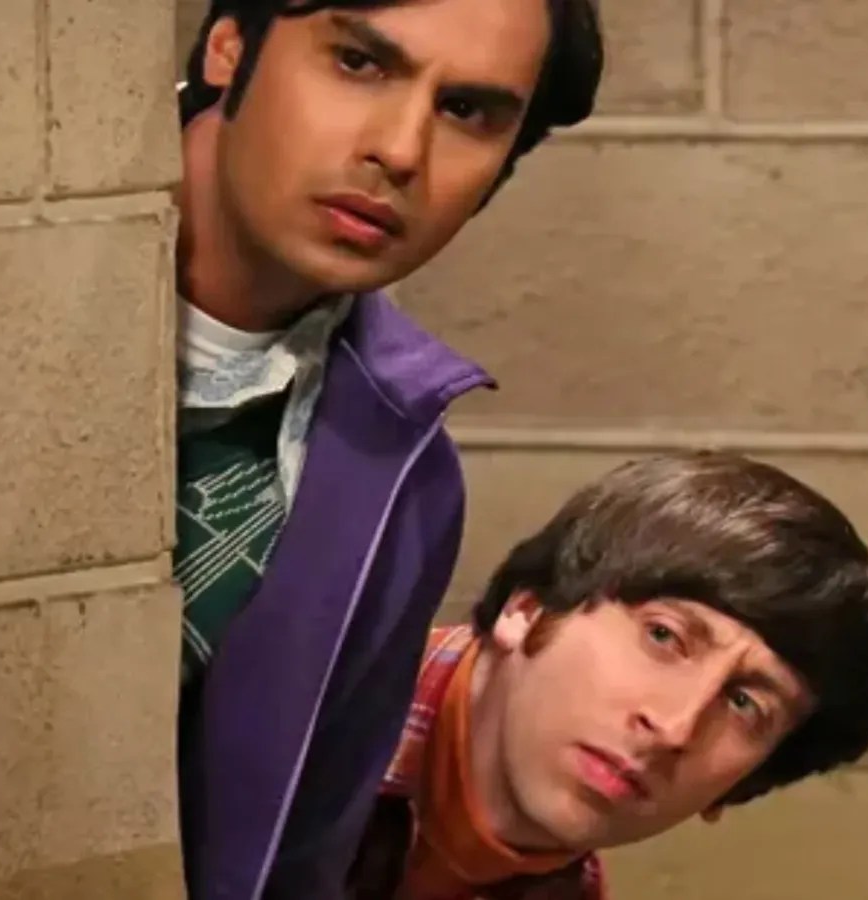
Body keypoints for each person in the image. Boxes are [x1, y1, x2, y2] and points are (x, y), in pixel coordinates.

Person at [169, 0, 603, 897]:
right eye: (359, 64)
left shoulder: (403, 482)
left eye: (467, 111)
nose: (401, 151)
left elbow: (292, 862)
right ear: (229, 44)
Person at [345, 450, 868, 899]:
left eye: (744, 705)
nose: (675, 727)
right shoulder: (308, 716)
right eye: (664, 636)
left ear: (736, 789)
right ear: (527, 608)